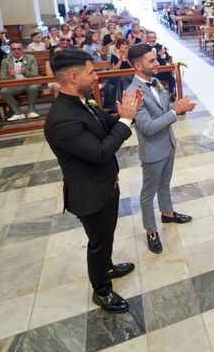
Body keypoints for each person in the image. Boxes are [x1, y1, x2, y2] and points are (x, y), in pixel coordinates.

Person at [44, 51, 141, 313]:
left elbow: (101, 124)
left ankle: (107, 267)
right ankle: (102, 290)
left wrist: (120, 116)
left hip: (105, 184)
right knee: (98, 243)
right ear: (74, 77)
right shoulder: (61, 119)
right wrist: (125, 120)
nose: (96, 77)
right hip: (90, 191)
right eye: (92, 72)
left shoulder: (81, 100)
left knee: (106, 235)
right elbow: (99, 153)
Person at [126, 44, 195, 253]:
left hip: (168, 143)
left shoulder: (155, 83)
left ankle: (168, 214)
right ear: (138, 65)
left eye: (156, 59)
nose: (157, 63)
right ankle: (151, 230)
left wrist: (178, 108)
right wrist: (175, 112)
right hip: (153, 151)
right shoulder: (133, 93)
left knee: (164, 184)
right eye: (151, 61)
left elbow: (165, 110)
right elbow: (146, 128)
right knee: (148, 193)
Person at [0, 41, 41, 121]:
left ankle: (31, 111)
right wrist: (11, 75)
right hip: (14, 86)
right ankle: (18, 113)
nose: (16, 51)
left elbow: (35, 74)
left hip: (29, 84)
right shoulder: (5, 61)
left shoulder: (30, 58)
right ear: (10, 50)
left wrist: (25, 72)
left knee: (34, 87)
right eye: (14, 49)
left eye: (19, 49)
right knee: (4, 91)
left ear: (22, 49)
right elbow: (3, 78)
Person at [146, 31, 176, 100]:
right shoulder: (144, 48)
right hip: (151, 72)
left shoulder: (160, 46)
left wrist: (163, 55)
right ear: (147, 39)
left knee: (171, 77)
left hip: (162, 71)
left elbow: (168, 58)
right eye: (151, 38)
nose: (153, 39)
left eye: (154, 37)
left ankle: (171, 94)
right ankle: (155, 97)